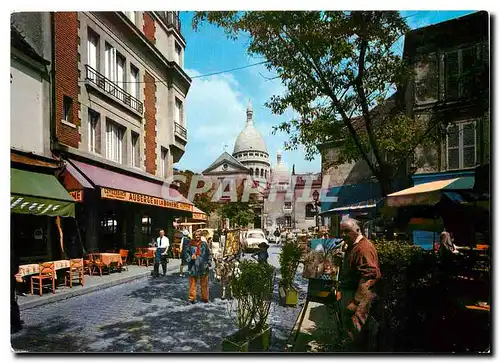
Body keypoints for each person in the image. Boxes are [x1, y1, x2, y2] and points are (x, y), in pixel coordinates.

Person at [338, 218, 381, 352]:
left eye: (347, 231)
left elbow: (368, 277)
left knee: (357, 332)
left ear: (357, 231)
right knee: (352, 330)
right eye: (342, 232)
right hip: (352, 293)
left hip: (358, 296)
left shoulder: (363, 248)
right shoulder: (354, 246)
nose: (343, 235)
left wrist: (355, 302)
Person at [182, 230, 212, 304]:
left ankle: (205, 298)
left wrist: (208, 263)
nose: (197, 236)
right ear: (193, 236)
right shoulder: (190, 244)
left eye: (199, 235)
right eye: (196, 235)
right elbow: (186, 254)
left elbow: (209, 254)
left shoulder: (204, 244)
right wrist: (190, 258)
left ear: (201, 236)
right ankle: (192, 298)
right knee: (192, 284)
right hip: (193, 266)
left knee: (204, 283)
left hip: (203, 266)